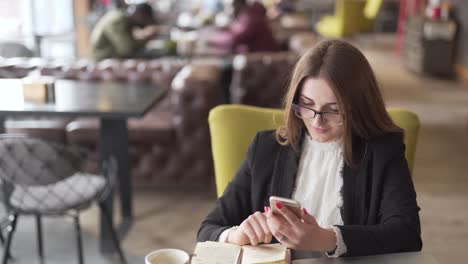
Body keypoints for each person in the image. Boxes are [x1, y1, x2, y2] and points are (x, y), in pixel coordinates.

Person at [197, 40, 422, 258]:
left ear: (359, 106)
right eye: (307, 105)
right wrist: (237, 235)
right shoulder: (265, 148)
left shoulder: (383, 150)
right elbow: (208, 229)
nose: (316, 122)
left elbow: (408, 234)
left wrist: (327, 239)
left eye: (333, 110)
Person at [90, 3, 158, 60]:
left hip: (111, 58)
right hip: (103, 60)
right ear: (140, 15)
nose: (145, 24)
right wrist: (146, 39)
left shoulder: (125, 20)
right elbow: (126, 50)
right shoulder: (118, 20)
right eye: (146, 20)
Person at [208, 0, 279, 53]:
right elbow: (236, 32)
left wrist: (212, 40)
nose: (233, 10)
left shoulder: (251, 18)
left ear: (239, 5)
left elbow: (235, 39)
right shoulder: (249, 15)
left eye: (234, 6)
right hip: (260, 56)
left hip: (265, 59)